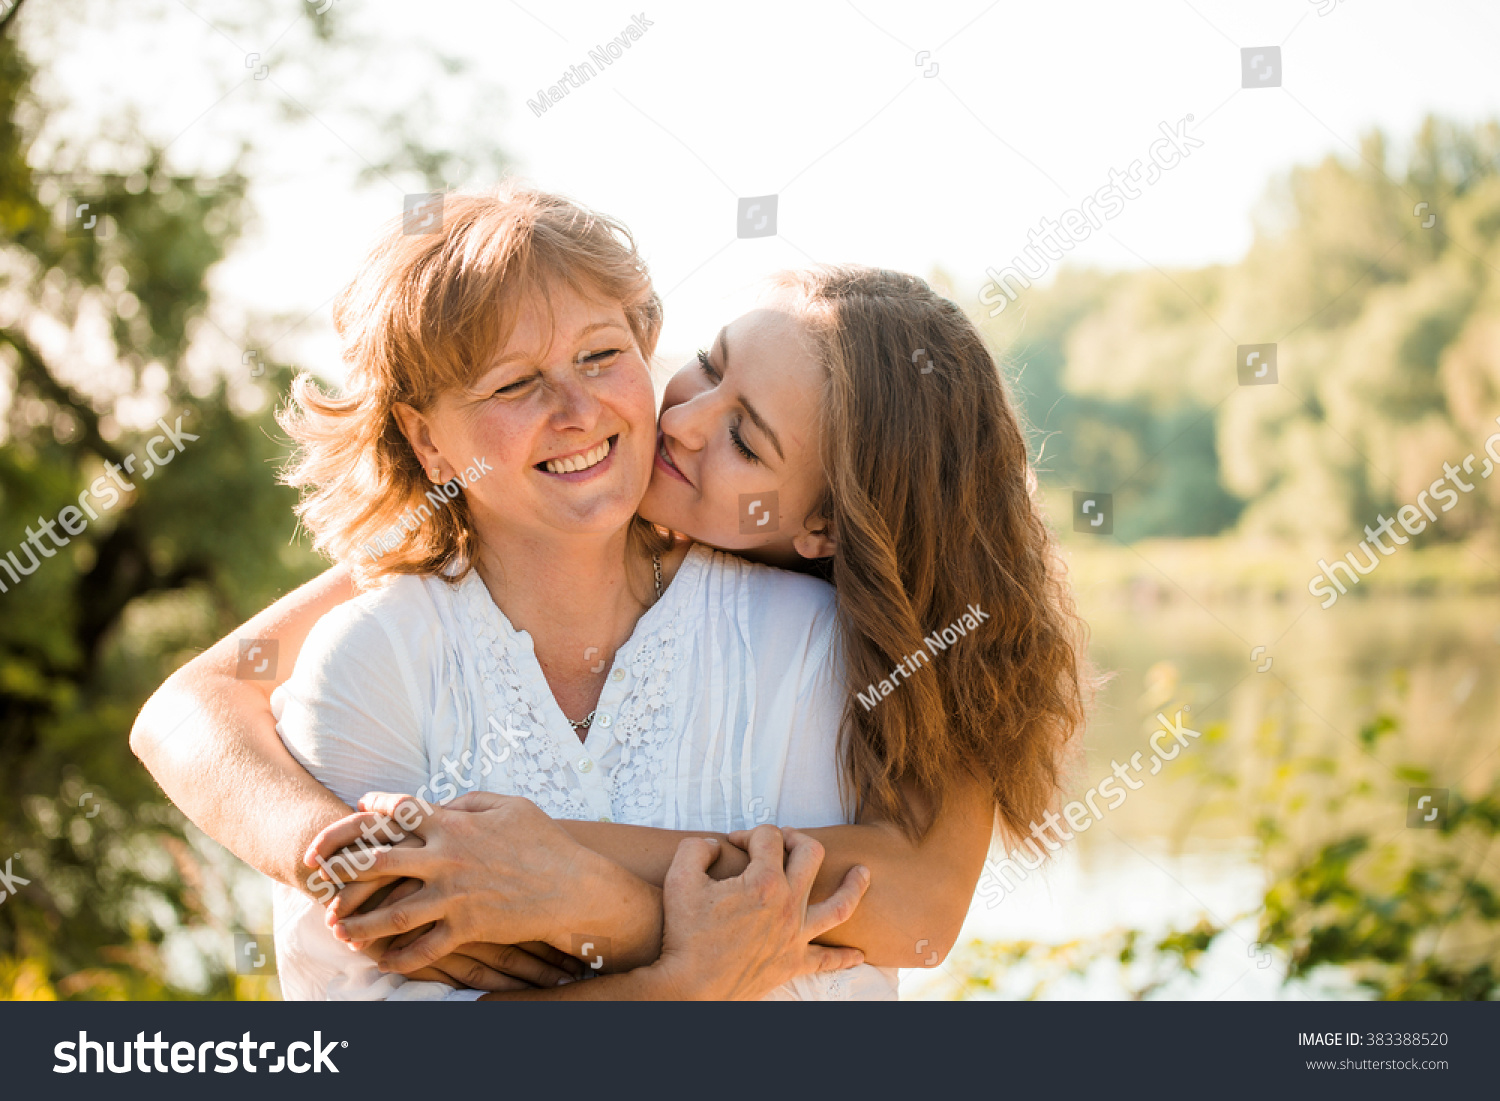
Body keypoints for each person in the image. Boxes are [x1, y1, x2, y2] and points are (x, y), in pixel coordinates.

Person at [130, 184, 1089, 999]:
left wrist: (563, 882)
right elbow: (189, 705)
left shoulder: (883, 640)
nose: (682, 423)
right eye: (708, 366)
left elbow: (914, 914)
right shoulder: (442, 576)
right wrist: (361, 859)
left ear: (824, 528)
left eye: (747, 439)